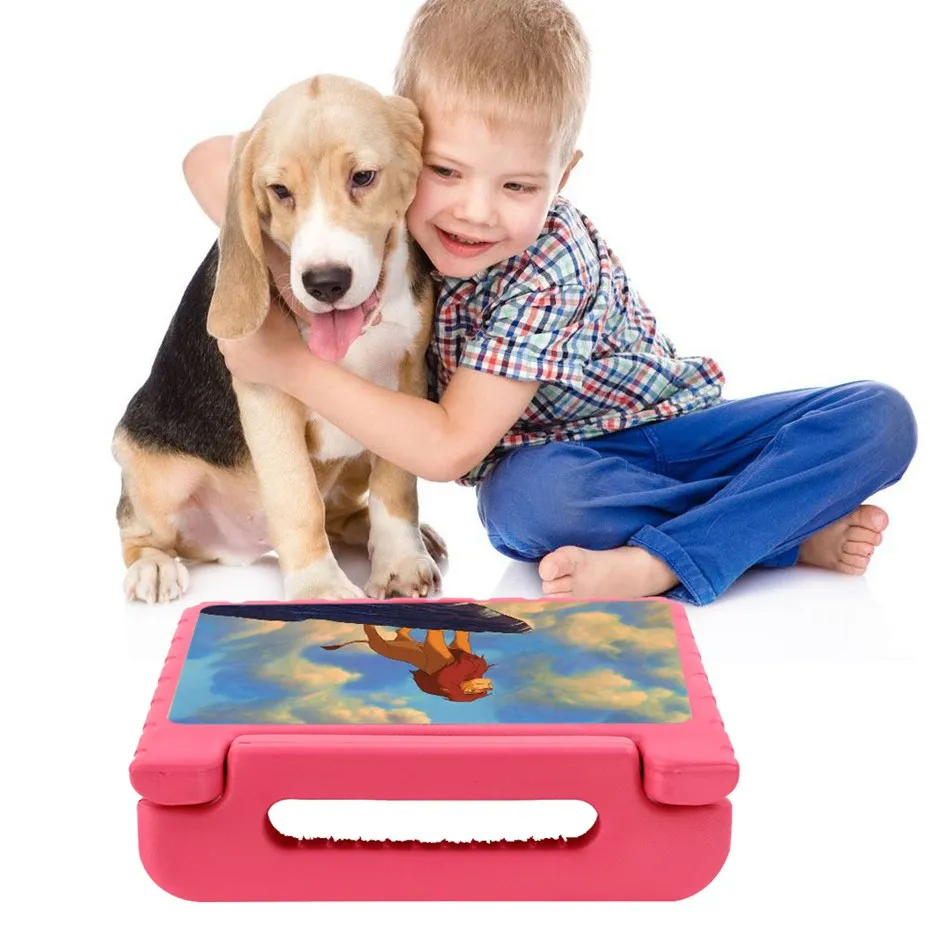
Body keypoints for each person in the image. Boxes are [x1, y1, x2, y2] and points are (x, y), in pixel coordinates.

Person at [183, 0, 917, 606]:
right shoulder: (389, 212)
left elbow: (449, 448)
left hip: (676, 434)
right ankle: (775, 527)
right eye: (446, 170)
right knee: (525, 508)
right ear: (404, 149)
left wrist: (289, 364)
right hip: (563, 471)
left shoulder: (551, 267)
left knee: (880, 417)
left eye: (518, 186)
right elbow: (210, 159)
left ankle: (662, 561)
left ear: (562, 177)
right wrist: (294, 261)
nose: (474, 212)